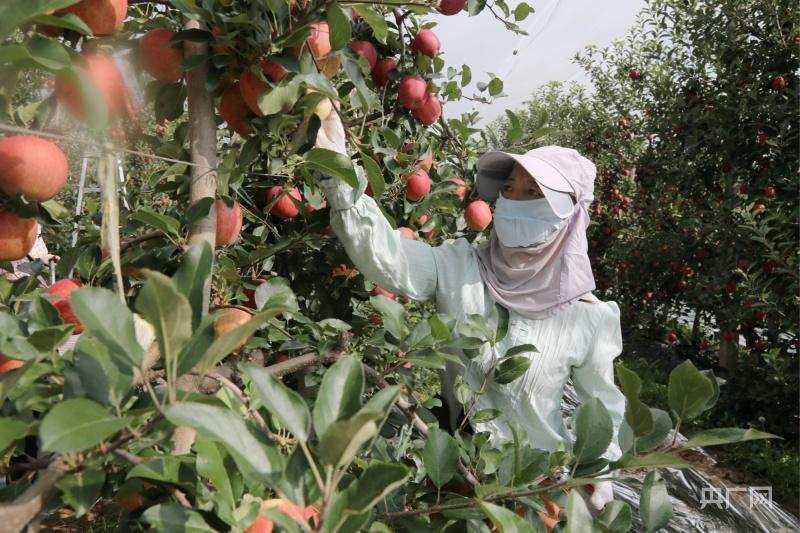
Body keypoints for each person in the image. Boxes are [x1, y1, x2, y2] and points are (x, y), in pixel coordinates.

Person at [313, 109, 626, 514]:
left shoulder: (590, 317)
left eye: (534, 194)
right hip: (455, 474)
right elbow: (388, 257)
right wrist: (338, 171)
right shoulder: (460, 266)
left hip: (536, 490)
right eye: (510, 188)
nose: (513, 200)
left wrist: (600, 469)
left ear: (570, 213)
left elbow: (602, 406)